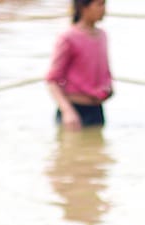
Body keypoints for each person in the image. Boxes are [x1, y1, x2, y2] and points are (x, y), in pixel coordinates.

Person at [46, 0, 112, 130]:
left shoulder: (102, 35)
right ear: (84, 7)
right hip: (74, 111)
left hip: (96, 110)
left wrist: (109, 88)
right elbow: (52, 80)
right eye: (100, 4)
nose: (104, 9)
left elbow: (105, 71)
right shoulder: (68, 37)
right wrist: (67, 111)